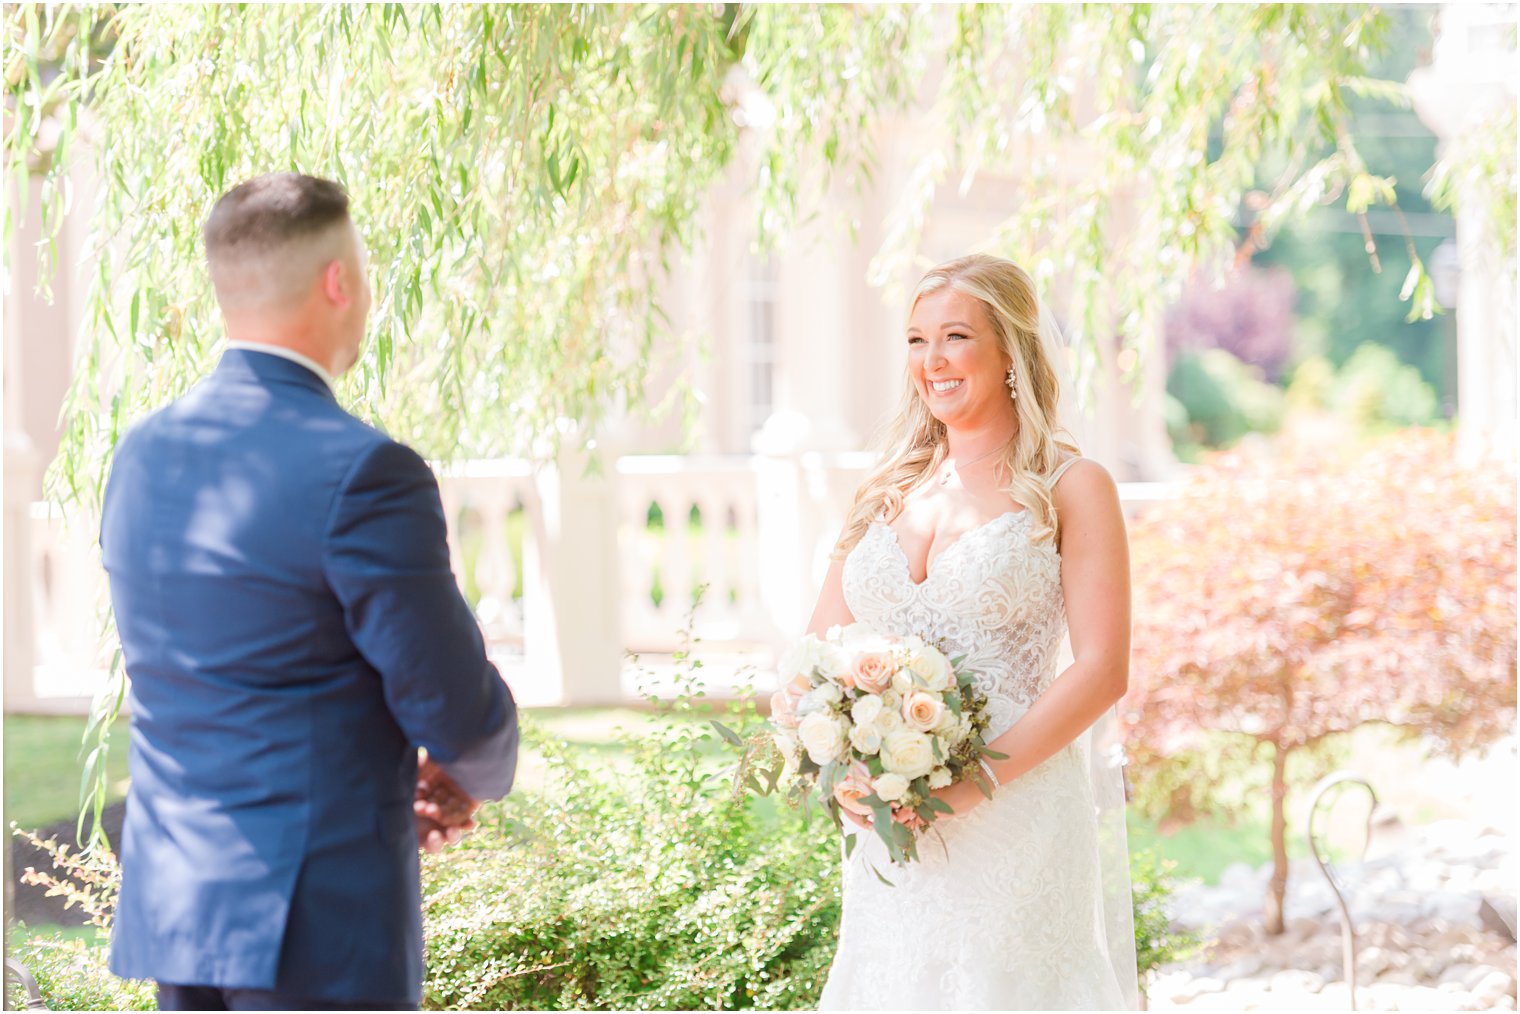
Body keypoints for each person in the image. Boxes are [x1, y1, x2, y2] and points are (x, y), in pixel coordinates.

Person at [100, 173, 518, 1011]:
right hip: (315, 922)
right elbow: (451, 702)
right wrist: (472, 765)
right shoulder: (364, 470)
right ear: (339, 282)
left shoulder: (139, 456)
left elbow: (242, 674)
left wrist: (396, 769)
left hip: (179, 901)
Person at [807, 254, 1139, 1009]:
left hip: (1015, 815)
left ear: (1009, 351)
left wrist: (968, 783)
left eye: (956, 337)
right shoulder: (885, 490)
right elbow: (819, 650)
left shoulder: (1072, 487)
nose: (933, 361)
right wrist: (843, 767)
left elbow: (1101, 669)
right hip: (892, 827)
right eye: (917, 341)